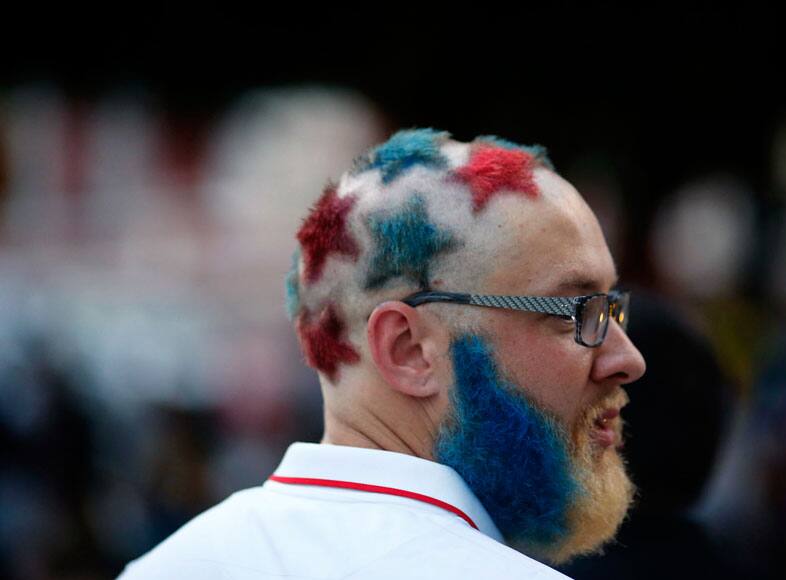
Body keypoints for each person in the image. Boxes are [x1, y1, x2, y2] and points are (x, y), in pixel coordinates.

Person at [119, 128, 646, 579]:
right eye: (571, 310)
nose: (627, 358)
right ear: (408, 349)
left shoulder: (161, 568)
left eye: (611, 308)